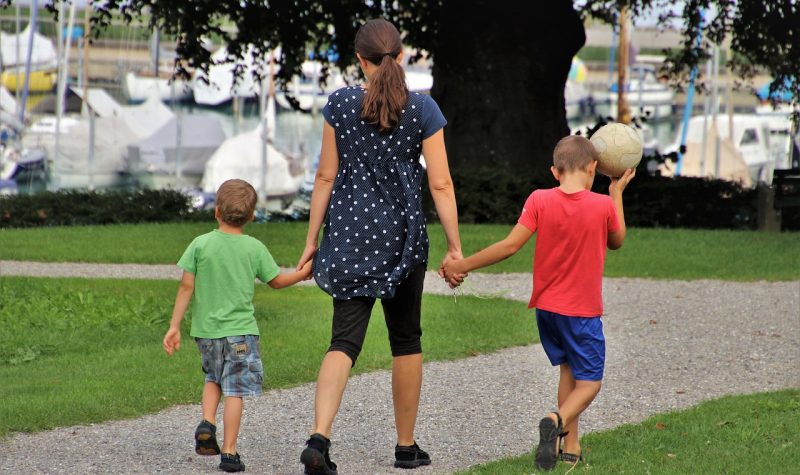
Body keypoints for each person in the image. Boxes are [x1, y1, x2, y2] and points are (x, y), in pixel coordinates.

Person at [295, 18, 462, 474]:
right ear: (401, 56)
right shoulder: (423, 109)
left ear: (360, 60)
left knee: (342, 341)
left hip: (349, 238)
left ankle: (319, 438)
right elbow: (441, 183)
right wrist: (455, 247)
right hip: (404, 241)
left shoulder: (341, 103)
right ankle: (406, 448)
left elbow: (325, 176)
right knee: (406, 339)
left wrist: (311, 242)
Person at [442, 136, 635, 470]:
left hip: (547, 310)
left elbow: (509, 246)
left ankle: (570, 447)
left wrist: (460, 265)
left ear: (554, 171)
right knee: (590, 382)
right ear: (593, 169)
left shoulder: (539, 199)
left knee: (569, 370)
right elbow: (617, 241)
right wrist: (615, 195)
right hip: (581, 312)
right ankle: (555, 420)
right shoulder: (601, 206)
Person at [162, 179, 312, 473]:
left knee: (212, 377)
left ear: (215, 211)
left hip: (205, 332)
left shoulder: (200, 244)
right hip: (241, 333)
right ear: (252, 215)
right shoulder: (253, 248)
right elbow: (277, 281)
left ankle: (207, 421)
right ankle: (229, 452)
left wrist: (174, 326)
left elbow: (185, 287)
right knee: (235, 389)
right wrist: (303, 273)